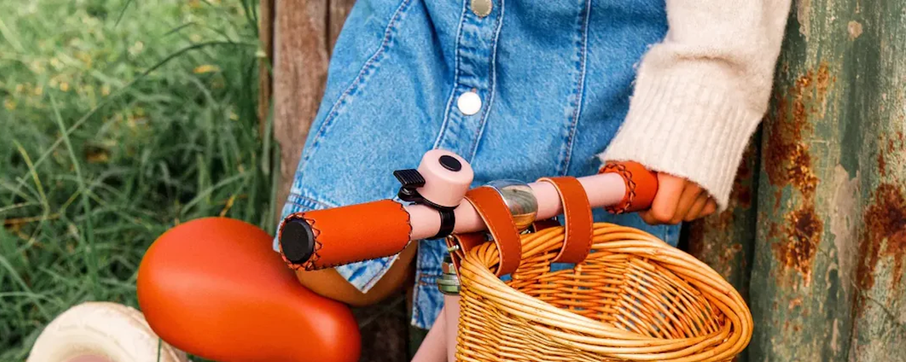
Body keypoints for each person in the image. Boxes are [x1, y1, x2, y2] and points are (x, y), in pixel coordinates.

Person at [279, 0, 792, 326]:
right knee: (333, 263)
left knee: (546, 320)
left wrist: (705, 93)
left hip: (581, 53)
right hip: (426, 26)